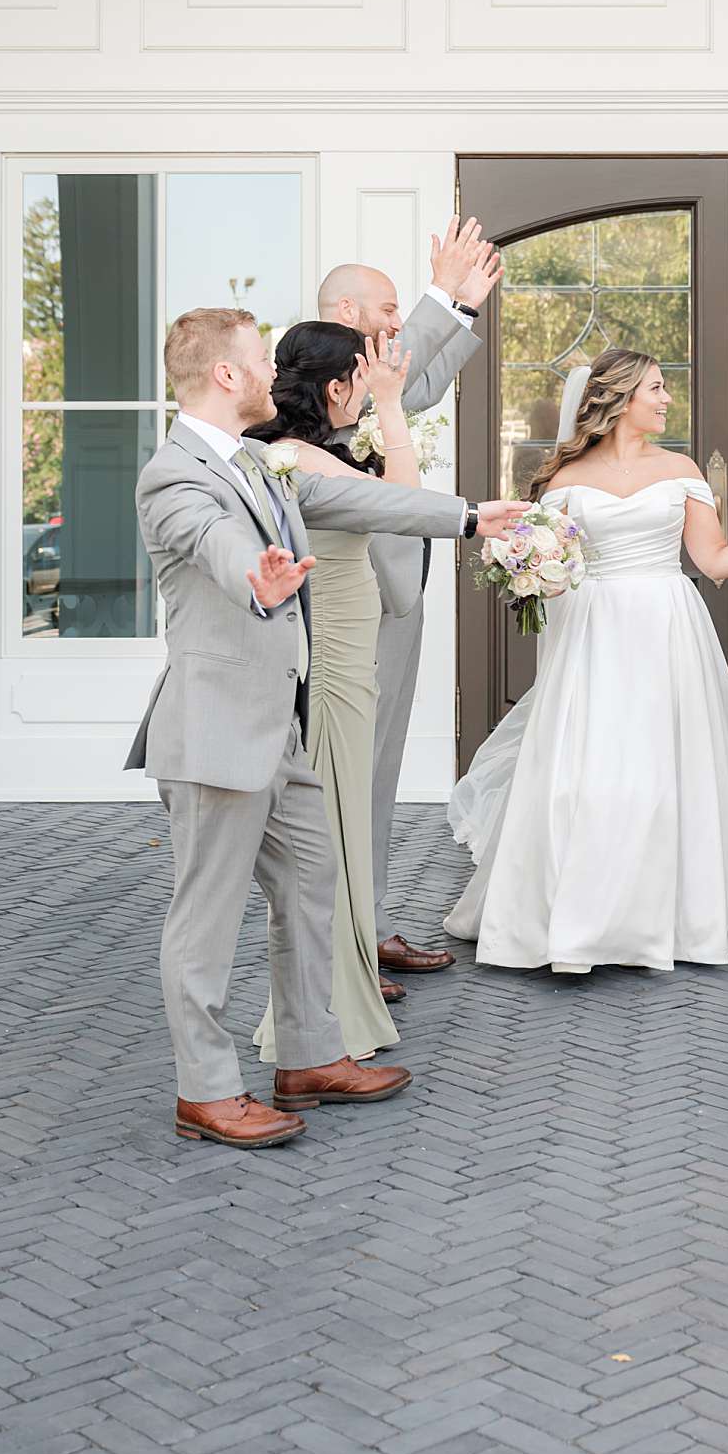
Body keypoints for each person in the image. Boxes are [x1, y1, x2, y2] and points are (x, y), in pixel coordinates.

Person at [128, 307, 525, 1149]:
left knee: (314, 881)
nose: (271, 375)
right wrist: (259, 574)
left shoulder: (262, 461)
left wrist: (466, 517)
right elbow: (214, 542)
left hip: (280, 731)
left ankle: (309, 1056)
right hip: (216, 733)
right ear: (226, 377)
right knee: (204, 919)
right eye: (254, 360)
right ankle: (205, 1090)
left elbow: (345, 492)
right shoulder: (175, 475)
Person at [445, 349, 728, 972]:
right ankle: (578, 917)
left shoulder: (682, 468)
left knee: (665, 762)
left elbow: (713, 562)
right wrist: (529, 572)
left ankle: (673, 915)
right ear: (619, 398)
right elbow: (543, 560)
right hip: (591, 629)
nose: (667, 400)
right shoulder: (564, 479)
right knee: (590, 763)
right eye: (657, 390)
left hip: (666, 623)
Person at [318, 212, 502, 997]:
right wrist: (438, 292)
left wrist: (454, 306)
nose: (398, 325)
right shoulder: (317, 372)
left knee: (379, 770)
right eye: (389, 312)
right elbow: (400, 387)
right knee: (346, 776)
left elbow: (412, 386)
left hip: (394, 600)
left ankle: (365, 921)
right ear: (350, 316)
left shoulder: (363, 371)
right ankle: (340, 946)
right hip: (349, 604)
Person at [250, 321, 425, 1068]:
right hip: (330, 671)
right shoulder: (294, 457)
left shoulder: (309, 454)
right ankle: (322, 1022)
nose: (368, 388)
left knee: (345, 830)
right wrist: (393, 404)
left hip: (349, 661)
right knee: (333, 835)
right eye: (364, 377)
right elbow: (408, 505)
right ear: (336, 386)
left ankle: (333, 1003)